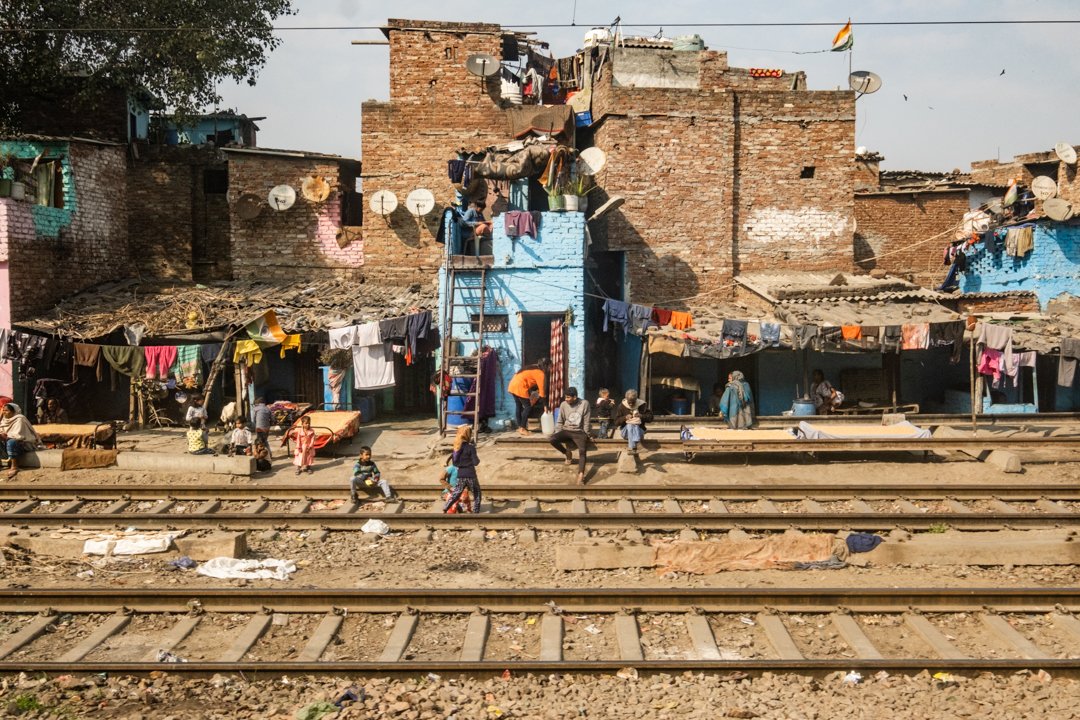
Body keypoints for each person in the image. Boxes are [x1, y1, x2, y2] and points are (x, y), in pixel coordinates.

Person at [549, 386, 590, 485]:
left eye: (568, 397)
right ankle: (567, 453)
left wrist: (586, 434)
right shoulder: (563, 404)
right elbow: (559, 421)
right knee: (552, 439)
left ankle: (581, 475)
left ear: (575, 397)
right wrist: (557, 433)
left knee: (582, 451)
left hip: (579, 432)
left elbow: (586, 421)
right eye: (565, 397)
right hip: (566, 430)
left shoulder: (585, 404)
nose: (566, 399)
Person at [444, 425, 481, 514]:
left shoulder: (456, 447)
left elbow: (455, 463)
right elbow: (476, 462)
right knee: (477, 494)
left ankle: (446, 508)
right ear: (468, 435)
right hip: (471, 475)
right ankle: (476, 513)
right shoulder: (471, 447)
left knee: (456, 494)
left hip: (460, 475)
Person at [507, 359, 549, 435]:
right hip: (520, 387)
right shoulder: (540, 373)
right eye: (550, 367)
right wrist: (545, 405)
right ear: (546, 366)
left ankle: (520, 427)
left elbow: (528, 380)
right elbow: (542, 392)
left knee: (519, 406)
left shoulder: (532, 367)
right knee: (528, 407)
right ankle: (522, 428)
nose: (550, 369)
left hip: (513, 385)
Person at [0, 403, 41, 478]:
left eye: (7, 410)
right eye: (4, 410)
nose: (4, 412)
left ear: (13, 411)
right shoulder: (4, 420)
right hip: (7, 442)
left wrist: (5, 436)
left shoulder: (20, 419)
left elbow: (18, 435)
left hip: (22, 444)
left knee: (12, 441)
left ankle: (14, 466)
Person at [613, 389, 653, 455]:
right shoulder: (622, 406)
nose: (631, 404)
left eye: (633, 402)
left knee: (632, 424)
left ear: (636, 400)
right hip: (626, 433)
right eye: (629, 402)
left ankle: (631, 447)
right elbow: (616, 422)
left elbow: (651, 418)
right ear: (626, 399)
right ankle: (638, 443)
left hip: (639, 431)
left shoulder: (642, 405)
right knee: (630, 424)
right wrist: (625, 417)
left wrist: (641, 416)